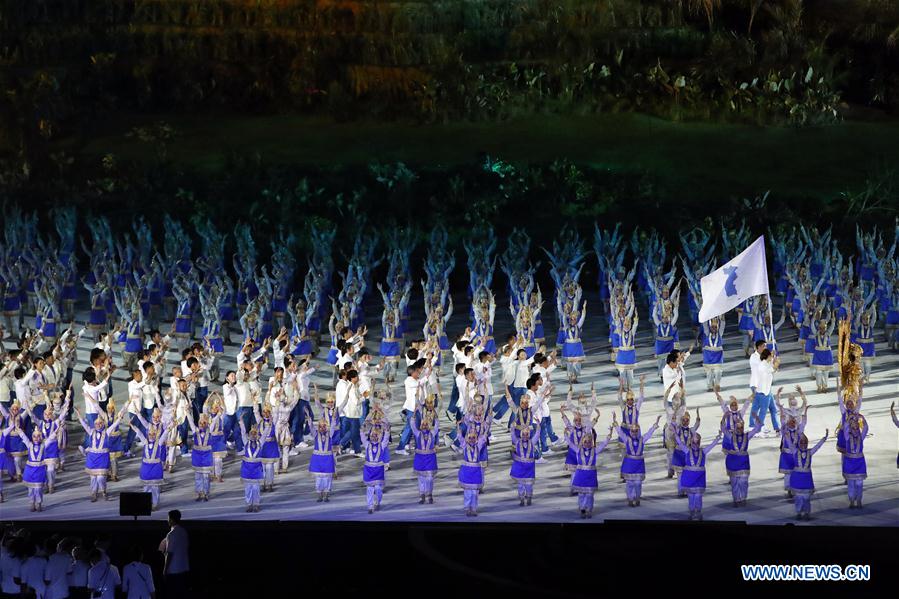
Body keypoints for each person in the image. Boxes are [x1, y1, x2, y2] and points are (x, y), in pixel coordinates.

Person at [675, 431, 721, 520]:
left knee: (698, 496)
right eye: (693, 442)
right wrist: (675, 433)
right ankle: (692, 513)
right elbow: (679, 443)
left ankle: (698, 512)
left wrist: (718, 437)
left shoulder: (703, 451)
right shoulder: (687, 450)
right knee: (691, 497)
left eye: (697, 442)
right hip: (689, 478)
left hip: (699, 478)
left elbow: (712, 445)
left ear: (699, 442)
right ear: (691, 442)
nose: (695, 444)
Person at [784, 429, 829, 520]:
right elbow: (789, 442)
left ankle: (807, 513)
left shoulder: (810, 452)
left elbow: (818, 446)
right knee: (798, 498)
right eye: (802, 442)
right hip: (797, 479)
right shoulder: (795, 451)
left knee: (806, 498)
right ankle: (799, 512)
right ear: (799, 443)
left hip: (807, 480)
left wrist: (824, 438)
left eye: (805, 442)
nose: (803, 444)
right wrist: (786, 434)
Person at [160, 510, 189, 598]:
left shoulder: (171, 534)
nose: (167, 520)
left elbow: (170, 553)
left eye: (168, 518)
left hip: (174, 570)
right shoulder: (184, 532)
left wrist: (165, 570)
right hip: (184, 568)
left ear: (172, 520)